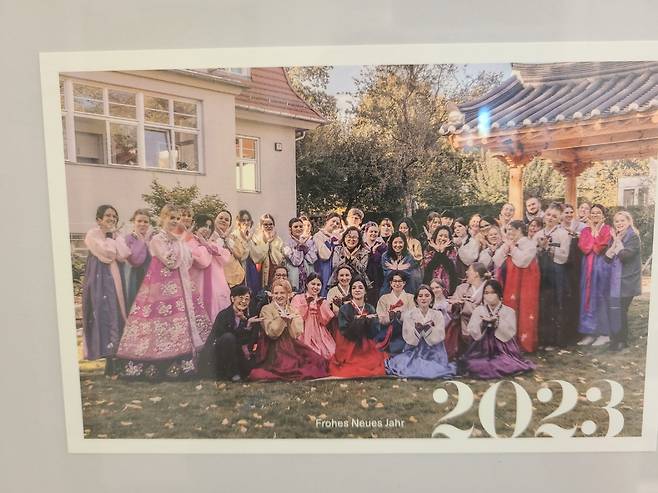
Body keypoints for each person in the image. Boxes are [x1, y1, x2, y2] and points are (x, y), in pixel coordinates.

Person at [116, 204, 212, 380]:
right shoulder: (157, 239)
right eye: (171, 217)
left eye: (177, 218)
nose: (174, 221)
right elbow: (171, 261)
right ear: (163, 218)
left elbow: (188, 261)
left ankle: (185, 362)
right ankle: (159, 362)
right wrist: (180, 245)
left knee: (180, 322)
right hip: (161, 287)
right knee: (163, 322)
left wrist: (181, 243)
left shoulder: (177, 239)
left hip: (181, 285)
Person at [82, 205, 130, 375]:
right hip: (99, 280)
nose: (111, 218)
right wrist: (110, 238)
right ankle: (107, 355)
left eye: (114, 216)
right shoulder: (92, 235)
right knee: (104, 314)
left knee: (117, 312)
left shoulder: (118, 235)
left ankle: (115, 360)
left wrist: (113, 239)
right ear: (99, 219)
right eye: (107, 215)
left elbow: (123, 254)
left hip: (115, 277)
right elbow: (107, 254)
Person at [249, 279, 328, 381]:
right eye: (276, 293)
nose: (279, 296)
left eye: (282, 293)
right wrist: (282, 320)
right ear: (272, 295)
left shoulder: (292, 309)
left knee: (318, 360)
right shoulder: (266, 309)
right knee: (286, 366)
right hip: (272, 345)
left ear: (288, 295)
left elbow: (296, 333)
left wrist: (290, 322)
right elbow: (271, 333)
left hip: (290, 342)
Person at [458, 279, 535, 379]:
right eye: (486, 293)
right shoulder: (479, 310)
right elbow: (472, 329)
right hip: (481, 349)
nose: (489, 296)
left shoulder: (509, 311)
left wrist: (497, 323)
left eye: (492, 292)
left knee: (505, 363)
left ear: (499, 294)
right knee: (473, 364)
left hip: (504, 348)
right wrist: (482, 324)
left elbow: (510, 332)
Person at [384, 284, 457, 379]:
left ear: (431, 299)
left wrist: (429, 330)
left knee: (435, 368)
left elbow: (440, 336)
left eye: (427, 296)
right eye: (420, 296)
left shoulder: (438, 314)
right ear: (416, 299)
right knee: (410, 365)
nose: (424, 299)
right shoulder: (409, 315)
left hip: (434, 351)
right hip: (414, 350)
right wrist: (417, 331)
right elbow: (409, 339)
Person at [492, 220, 540, 353]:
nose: (508, 233)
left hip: (526, 280)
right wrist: (506, 248)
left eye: (511, 230)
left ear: (519, 230)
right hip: (510, 279)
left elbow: (523, 262)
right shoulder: (509, 244)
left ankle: (524, 343)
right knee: (509, 307)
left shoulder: (529, 244)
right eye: (507, 230)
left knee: (525, 308)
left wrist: (512, 249)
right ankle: (508, 342)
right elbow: (496, 260)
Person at [200, 285, 263, 381]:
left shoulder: (251, 315)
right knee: (229, 338)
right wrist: (243, 326)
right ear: (232, 298)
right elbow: (225, 338)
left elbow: (251, 339)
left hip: (242, 353)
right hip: (223, 352)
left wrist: (247, 323)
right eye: (240, 298)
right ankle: (232, 373)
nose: (243, 301)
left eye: (247, 299)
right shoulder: (223, 315)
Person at [329, 278, 387, 378]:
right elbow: (344, 330)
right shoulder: (344, 308)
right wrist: (359, 321)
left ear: (365, 291)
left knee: (373, 363)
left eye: (360, 287)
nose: (357, 290)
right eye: (354, 288)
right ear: (351, 291)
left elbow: (374, 331)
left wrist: (369, 322)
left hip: (366, 344)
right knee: (350, 366)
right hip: (349, 344)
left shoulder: (370, 308)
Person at [534, 203, 572, 349]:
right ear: (544, 216)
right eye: (549, 215)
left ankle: (555, 340)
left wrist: (549, 248)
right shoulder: (538, 234)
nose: (550, 218)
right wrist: (539, 249)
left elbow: (564, 256)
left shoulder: (563, 234)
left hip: (556, 271)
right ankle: (542, 339)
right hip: (541, 271)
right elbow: (532, 254)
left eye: (554, 216)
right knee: (543, 304)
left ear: (560, 219)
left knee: (556, 303)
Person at [605, 211, 642, 351]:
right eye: (616, 221)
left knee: (621, 310)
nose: (619, 224)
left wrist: (617, 242)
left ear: (628, 222)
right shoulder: (615, 237)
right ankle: (616, 339)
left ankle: (622, 340)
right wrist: (614, 242)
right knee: (615, 310)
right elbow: (607, 259)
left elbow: (625, 256)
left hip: (627, 280)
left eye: (622, 221)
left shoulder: (633, 237)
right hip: (616, 280)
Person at [577, 204, 613, 346]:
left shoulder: (607, 229)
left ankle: (604, 333)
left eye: (598, 213)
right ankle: (589, 333)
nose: (595, 215)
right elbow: (584, 247)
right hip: (587, 268)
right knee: (587, 298)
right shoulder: (585, 230)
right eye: (593, 213)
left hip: (601, 267)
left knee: (600, 297)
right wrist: (592, 232)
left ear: (603, 215)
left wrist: (593, 237)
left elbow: (599, 247)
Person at [447, 262, 490, 359]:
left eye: (469, 270)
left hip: (483, 327)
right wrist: (456, 304)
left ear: (476, 274)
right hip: (463, 328)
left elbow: (490, 309)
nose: (466, 272)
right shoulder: (462, 288)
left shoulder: (488, 288)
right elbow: (450, 306)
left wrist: (466, 305)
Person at [291, 273, 336, 359]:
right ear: (307, 284)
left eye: (318, 284)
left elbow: (325, 320)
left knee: (329, 352)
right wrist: (306, 304)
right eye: (313, 284)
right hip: (303, 330)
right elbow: (296, 316)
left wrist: (319, 306)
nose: (315, 287)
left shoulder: (322, 300)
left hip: (319, 331)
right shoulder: (298, 298)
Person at [375, 271, 416, 353]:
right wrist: (390, 316)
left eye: (400, 281)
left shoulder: (411, 298)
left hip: (406, 330)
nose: (397, 284)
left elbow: (414, 315)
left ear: (404, 283)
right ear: (390, 283)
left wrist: (401, 315)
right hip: (387, 330)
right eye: (395, 281)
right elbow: (380, 317)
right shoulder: (384, 298)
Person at [122, 208, 152, 311]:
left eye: (145, 222)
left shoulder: (151, 239)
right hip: (133, 276)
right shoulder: (128, 238)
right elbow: (135, 261)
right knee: (134, 304)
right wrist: (141, 242)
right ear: (133, 222)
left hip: (149, 277)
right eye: (139, 221)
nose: (142, 224)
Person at [250, 213, 285, 290]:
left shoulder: (278, 240)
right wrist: (266, 243)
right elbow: (256, 256)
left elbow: (281, 257)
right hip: (258, 271)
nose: (268, 226)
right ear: (261, 226)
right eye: (265, 224)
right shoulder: (256, 238)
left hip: (273, 270)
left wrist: (271, 245)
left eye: (270, 224)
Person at [283, 217, 318, 292]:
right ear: (290, 229)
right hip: (294, 276)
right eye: (295, 227)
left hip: (308, 274)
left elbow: (312, 259)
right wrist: (299, 248)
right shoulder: (286, 244)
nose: (299, 228)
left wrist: (306, 249)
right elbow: (296, 262)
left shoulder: (310, 242)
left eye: (301, 226)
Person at [422, 225, 458, 295]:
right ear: (436, 237)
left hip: (447, 285)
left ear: (449, 239)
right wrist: (438, 251)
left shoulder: (452, 250)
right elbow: (429, 267)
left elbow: (451, 267)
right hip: (430, 284)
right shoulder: (428, 250)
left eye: (445, 236)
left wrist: (442, 251)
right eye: (440, 235)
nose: (442, 238)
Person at [313, 212, 342, 296]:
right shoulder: (318, 236)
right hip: (322, 267)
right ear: (327, 221)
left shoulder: (337, 237)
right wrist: (332, 242)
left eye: (337, 223)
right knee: (323, 289)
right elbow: (324, 255)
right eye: (333, 221)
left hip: (334, 268)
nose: (335, 224)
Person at [233, 210, 260, 293]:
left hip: (251, 266)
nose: (246, 222)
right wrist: (246, 241)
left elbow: (257, 255)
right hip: (239, 267)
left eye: (248, 220)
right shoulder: (234, 235)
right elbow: (241, 256)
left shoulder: (253, 235)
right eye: (243, 220)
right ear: (238, 222)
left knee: (253, 290)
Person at [362, 221, 387, 305]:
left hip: (377, 277)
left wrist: (374, 252)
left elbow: (381, 262)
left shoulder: (382, 246)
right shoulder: (362, 245)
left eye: (375, 232)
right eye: (371, 231)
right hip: (364, 276)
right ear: (366, 232)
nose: (373, 233)